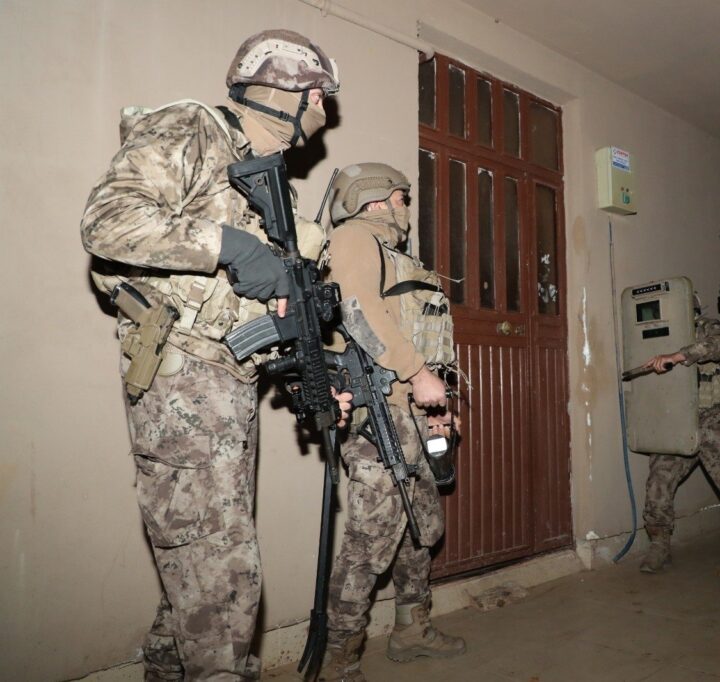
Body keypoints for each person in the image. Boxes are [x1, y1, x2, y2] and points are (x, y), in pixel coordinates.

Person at [80, 29, 349, 680]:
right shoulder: (193, 127)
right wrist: (228, 244)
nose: (323, 111)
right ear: (296, 91)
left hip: (230, 387)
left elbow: (254, 310)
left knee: (198, 575)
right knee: (225, 579)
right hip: (183, 384)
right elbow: (106, 222)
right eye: (321, 97)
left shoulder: (271, 192)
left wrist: (311, 369)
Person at [320, 163, 465, 682]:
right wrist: (417, 373)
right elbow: (357, 312)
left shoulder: (397, 257)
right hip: (375, 418)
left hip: (412, 414)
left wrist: (438, 404)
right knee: (370, 541)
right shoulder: (354, 238)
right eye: (403, 196)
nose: (408, 207)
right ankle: (341, 659)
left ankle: (411, 631)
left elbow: (420, 335)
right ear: (378, 199)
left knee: (420, 530)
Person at [636, 297, 720, 572]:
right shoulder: (659, 335)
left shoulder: (708, 327)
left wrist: (677, 356)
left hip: (715, 416)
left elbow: (718, 347)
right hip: (677, 420)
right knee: (658, 484)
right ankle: (659, 543)